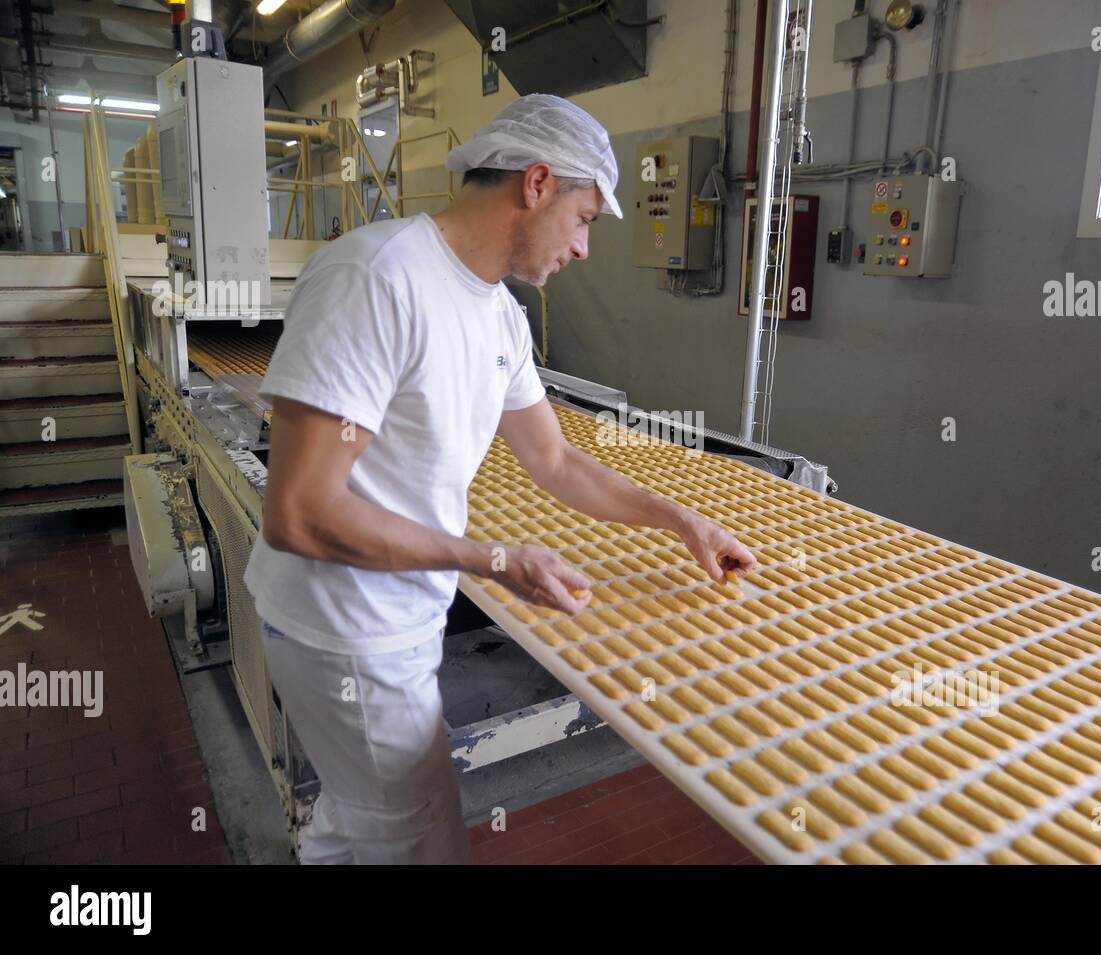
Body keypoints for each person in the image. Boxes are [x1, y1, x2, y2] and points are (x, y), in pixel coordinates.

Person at [242, 94, 757, 864]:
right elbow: (300, 511)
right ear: (537, 183)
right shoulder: (377, 276)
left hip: (399, 613)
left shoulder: (500, 316)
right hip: (347, 627)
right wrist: (491, 557)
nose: (584, 247)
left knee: (359, 816)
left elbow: (555, 461)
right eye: (584, 219)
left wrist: (683, 520)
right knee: (422, 839)